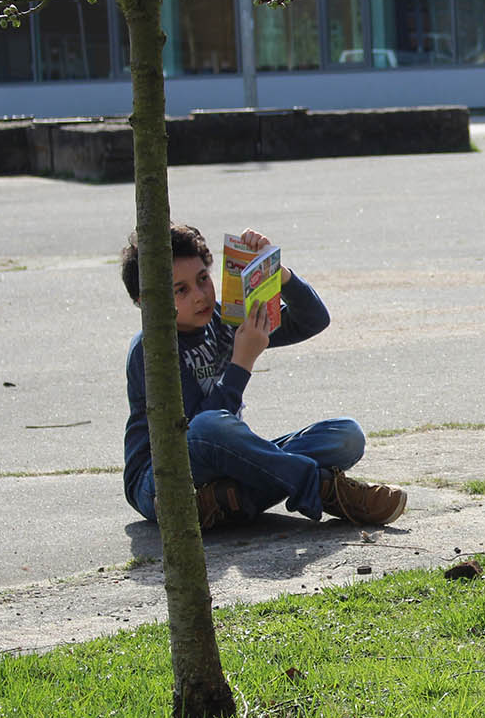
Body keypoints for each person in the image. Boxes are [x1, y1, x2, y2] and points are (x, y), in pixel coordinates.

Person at [120, 223, 406, 531]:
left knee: (346, 436)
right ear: (145, 302)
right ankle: (323, 488)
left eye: (203, 279)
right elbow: (196, 434)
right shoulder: (152, 349)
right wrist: (241, 363)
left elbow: (313, 320)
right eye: (181, 290)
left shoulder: (224, 318)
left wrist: (276, 271)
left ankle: (226, 501)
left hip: (225, 467)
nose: (200, 296)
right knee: (210, 424)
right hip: (160, 480)